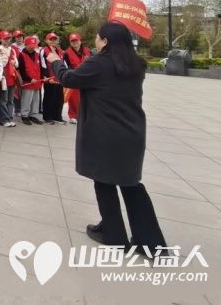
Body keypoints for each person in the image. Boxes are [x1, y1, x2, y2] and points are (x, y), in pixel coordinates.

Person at [47, 21, 167, 254]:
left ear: (106, 41)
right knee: (131, 185)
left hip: (104, 133)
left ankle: (113, 234)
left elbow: (69, 78)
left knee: (104, 183)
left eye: (98, 37)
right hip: (131, 132)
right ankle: (150, 242)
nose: (95, 40)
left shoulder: (99, 63)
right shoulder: (136, 63)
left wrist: (55, 62)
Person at [63, 33, 91, 124]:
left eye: (76, 40)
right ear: (70, 42)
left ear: (80, 41)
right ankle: (73, 116)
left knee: (86, 97)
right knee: (73, 98)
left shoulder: (87, 51)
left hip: (86, 78)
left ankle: (84, 115)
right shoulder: (66, 53)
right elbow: (66, 67)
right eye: (72, 41)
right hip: (74, 77)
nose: (75, 42)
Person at [17, 36, 44, 125]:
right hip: (28, 82)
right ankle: (24, 115)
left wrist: (42, 77)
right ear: (26, 45)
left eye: (34, 45)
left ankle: (33, 115)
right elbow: (21, 70)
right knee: (26, 100)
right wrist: (29, 79)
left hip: (37, 81)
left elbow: (40, 67)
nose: (32, 47)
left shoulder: (37, 54)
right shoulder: (21, 55)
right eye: (30, 46)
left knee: (36, 99)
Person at [41, 32, 65, 124]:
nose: (53, 41)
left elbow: (63, 63)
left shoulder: (60, 51)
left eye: (54, 39)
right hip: (49, 79)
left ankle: (57, 116)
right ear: (46, 41)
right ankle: (48, 117)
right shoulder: (44, 50)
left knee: (59, 98)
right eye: (51, 39)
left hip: (59, 78)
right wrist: (47, 77)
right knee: (49, 98)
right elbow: (43, 65)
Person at [0, 31, 18, 127]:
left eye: (8, 38)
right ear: (1, 39)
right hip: (4, 78)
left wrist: (14, 62)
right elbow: (0, 64)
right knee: (3, 100)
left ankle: (9, 118)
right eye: (5, 39)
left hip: (12, 77)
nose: (7, 40)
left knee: (10, 100)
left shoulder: (12, 50)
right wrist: (7, 58)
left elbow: (17, 64)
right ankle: (3, 119)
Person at [11, 30, 25, 117]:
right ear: (15, 38)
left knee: (24, 90)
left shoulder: (26, 46)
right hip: (16, 70)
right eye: (17, 37)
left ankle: (24, 108)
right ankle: (17, 109)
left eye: (21, 37)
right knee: (16, 90)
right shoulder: (12, 47)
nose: (19, 38)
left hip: (25, 71)